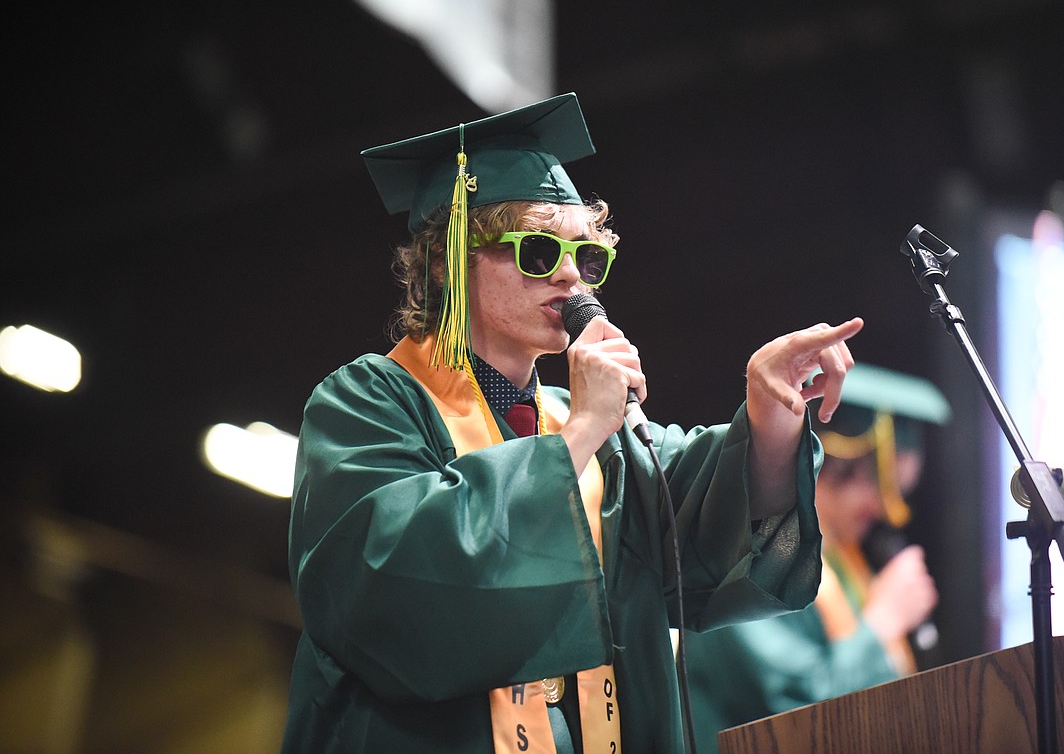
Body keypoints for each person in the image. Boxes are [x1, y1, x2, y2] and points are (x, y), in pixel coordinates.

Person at [280, 92, 864, 753]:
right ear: (449, 262)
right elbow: (391, 590)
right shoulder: (367, 404)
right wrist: (580, 433)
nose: (571, 279)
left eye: (586, 258)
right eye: (536, 250)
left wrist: (772, 412)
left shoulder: (592, 430)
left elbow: (702, 518)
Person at [685, 363, 950, 754]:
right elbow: (791, 710)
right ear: (838, 463)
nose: (884, 511)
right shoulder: (748, 553)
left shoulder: (845, 563)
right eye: (881, 487)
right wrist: (883, 623)